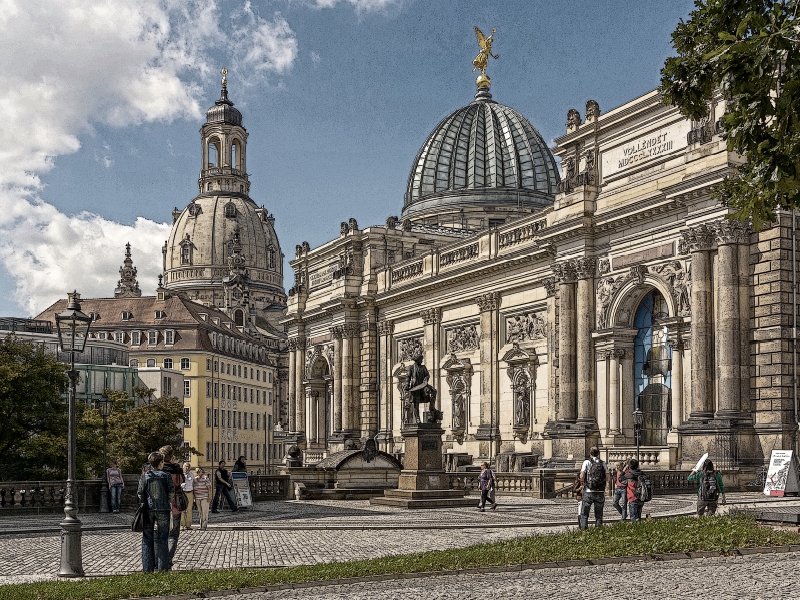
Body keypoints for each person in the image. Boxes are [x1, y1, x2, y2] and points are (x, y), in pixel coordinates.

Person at [137, 451, 174, 572]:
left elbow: (139, 493)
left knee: (147, 539)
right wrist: (165, 500)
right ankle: (162, 568)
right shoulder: (166, 475)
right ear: (161, 462)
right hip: (163, 509)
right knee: (163, 538)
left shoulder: (144, 476)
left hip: (148, 509)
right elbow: (171, 493)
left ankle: (147, 569)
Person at [159, 445, 184, 565]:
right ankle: (168, 559)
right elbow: (180, 481)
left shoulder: (157, 468)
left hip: (158, 506)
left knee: (160, 534)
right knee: (173, 535)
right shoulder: (176, 469)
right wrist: (175, 465)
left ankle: (160, 559)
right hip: (174, 505)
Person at [578, 446, 609, 530]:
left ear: (590, 454)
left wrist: (582, 482)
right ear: (598, 454)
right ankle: (598, 531)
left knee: (584, 514)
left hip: (589, 490)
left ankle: (584, 531)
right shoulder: (603, 463)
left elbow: (582, 475)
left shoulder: (587, 462)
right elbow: (608, 477)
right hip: (600, 492)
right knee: (599, 515)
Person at [621, 458, 646, 523]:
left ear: (629, 466)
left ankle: (635, 530)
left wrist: (624, 470)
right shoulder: (642, 473)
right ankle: (639, 529)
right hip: (641, 497)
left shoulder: (629, 475)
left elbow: (620, 479)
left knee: (633, 517)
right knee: (638, 516)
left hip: (632, 497)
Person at [180, 462, 195, 530]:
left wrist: (194, 494)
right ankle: (182, 525)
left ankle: (188, 525)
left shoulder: (192, 474)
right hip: (182, 493)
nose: (187, 468)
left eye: (188, 466)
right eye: (186, 466)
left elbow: (194, 484)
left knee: (189, 509)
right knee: (182, 509)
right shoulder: (180, 474)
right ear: (183, 467)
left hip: (190, 493)